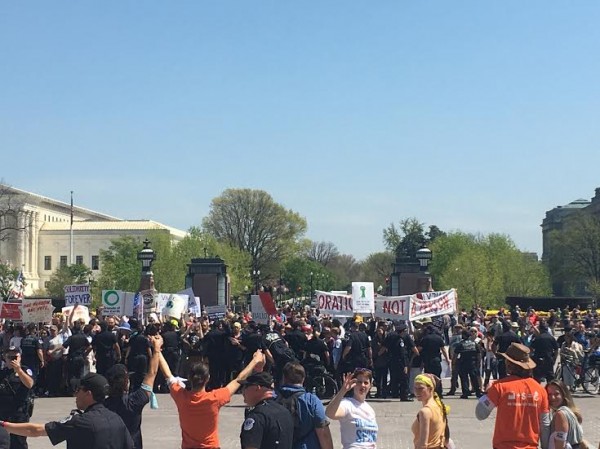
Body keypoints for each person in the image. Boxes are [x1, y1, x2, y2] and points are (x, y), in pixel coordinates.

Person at [159, 348, 265, 449]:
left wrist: (157, 351)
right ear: (208, 378)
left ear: (189, 378)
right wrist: (255, 360)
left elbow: (168, 375)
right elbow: (239, 379)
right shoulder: (214, 398)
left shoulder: (181, 396)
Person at [1, 372, 133, 449]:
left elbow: (35, 430)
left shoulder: (81, 422)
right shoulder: (117, 419)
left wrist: (3, 425)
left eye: (78, 390)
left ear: (88, 394)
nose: (75, 394)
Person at [476, 342, 550, 449]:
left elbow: (480, 414)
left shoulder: (499, 387)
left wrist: (486, 394)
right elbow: (545, 424)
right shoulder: (540, 389)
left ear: (509, 364)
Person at [104, 335, 163, 449]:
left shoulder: (102, 406)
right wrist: (156, 349)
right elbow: (152, 373)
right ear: (127, 383)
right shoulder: (134, 402)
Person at [277, 362, 333, 449]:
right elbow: (323, 432)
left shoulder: (274, 399)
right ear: (303, 379)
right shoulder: (311, 400)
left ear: (284, 378)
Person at [325, 368, 378, 449]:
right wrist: (343, 391)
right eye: (359, 382)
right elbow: (329, 413)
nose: (363, 385)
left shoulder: (370, 410)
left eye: (366, 383)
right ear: (354, 384)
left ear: (370, 386)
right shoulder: (347, 404)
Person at [240, 370, 294, 449]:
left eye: (246, 387)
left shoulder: (257, 417)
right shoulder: (285, 411)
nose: (243, 391)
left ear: (257, 388)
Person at [0, 346, 34, 449]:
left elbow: (29, 384)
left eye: (15, 356)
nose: (12, 359)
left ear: (20, 357)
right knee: (3, 442)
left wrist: (18, 370)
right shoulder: (2, 373)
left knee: (19, 442)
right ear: (4, 357)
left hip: (19, 413)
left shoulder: (25, 370)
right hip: (3, 413)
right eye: (10, 357)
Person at [412, 373, 450, 449]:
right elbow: (446, 437)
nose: (417, 392)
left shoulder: (425, 412)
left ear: (431, 389)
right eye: (415, 388)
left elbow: (423, 444)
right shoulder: (439, 405)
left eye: (421, 388)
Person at [545, 380, 586, 449]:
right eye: (549, 394)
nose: (552, 397)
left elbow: (560, 445)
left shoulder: (560, 414)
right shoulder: (570, 412)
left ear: (563, 394)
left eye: (556, 394)